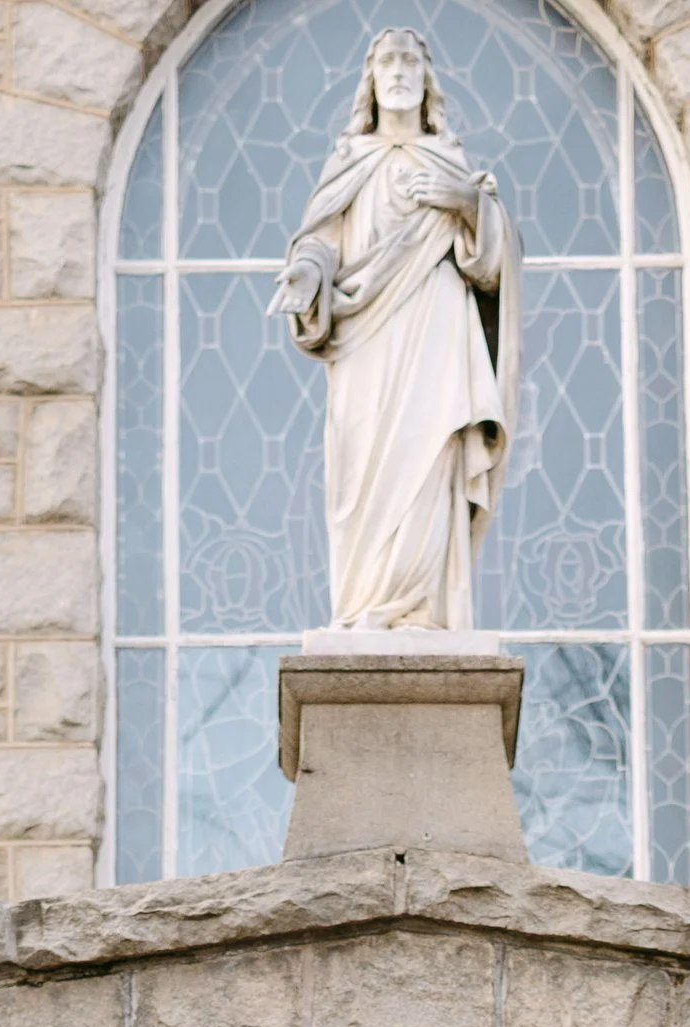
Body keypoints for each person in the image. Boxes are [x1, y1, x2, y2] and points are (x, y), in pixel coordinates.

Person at [275, 27, 520, 634]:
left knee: (428, 453)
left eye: (411, 59)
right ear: (371, 80)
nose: (400, 70)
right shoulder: (349, 162)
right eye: (387, 60)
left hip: (435, 323)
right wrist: (307, 274)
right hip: (365, 340)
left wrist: (465, 201)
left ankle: (421, 608)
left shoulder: (452, 162)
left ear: (428, 78)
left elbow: (492, 266)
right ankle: (365, 605)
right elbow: (320, 242)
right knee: (364, 467)